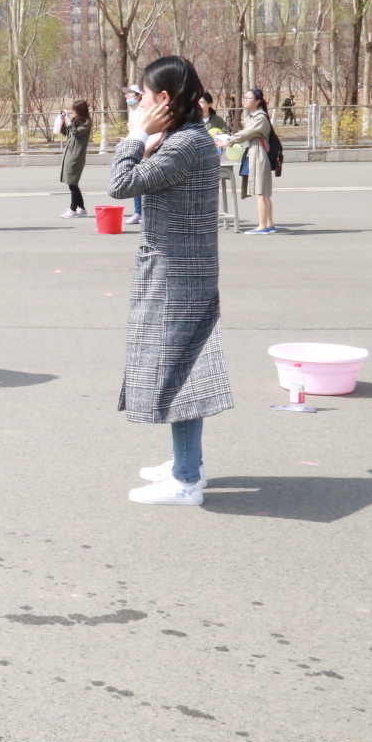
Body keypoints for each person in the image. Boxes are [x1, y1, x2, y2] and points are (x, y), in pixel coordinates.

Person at [108, 55, 234, 506]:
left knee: (181, 372)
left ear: (163, 98)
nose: (138, 103)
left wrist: (136, 136)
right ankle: (188, 463)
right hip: (181, 266)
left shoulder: (185, 144)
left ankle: (186, 481)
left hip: (178, 272)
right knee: (181, 367)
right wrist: (147, 139)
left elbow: (121, 185)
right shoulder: (187, 138)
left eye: (142, 96)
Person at [231, 87, 278, 234]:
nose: (245, 100)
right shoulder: (254, 116)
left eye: (248, 98)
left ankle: (262, 226)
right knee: (263, 193)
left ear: (257, 101)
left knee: (261, 193)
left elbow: (247, 133)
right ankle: (269, 224)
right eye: (244, 98)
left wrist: (228, 140)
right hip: (255, 153)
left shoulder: (260, 117)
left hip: (258, 154)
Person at [57, 100, 91, 218]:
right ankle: (81, 208)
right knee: (72, 183)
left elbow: (76, 133)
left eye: (76, 110)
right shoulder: (75, 121)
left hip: (77, 155)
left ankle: (73, 209)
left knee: (72, 183)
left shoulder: (86, 122)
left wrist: (68, 120)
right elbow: (66, 133)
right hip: (70, 153)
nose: (74, 112)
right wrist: (63, 122)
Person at [122, 84, 145, 225]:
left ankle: (144, 212)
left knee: (144, 180)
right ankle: (138, 212)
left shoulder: (144, 111)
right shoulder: (132, 110)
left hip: (145, 148)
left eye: (130, 93)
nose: (127, 96)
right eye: (126, 94)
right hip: (135, 146)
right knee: (135, 180)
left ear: (139, 96)